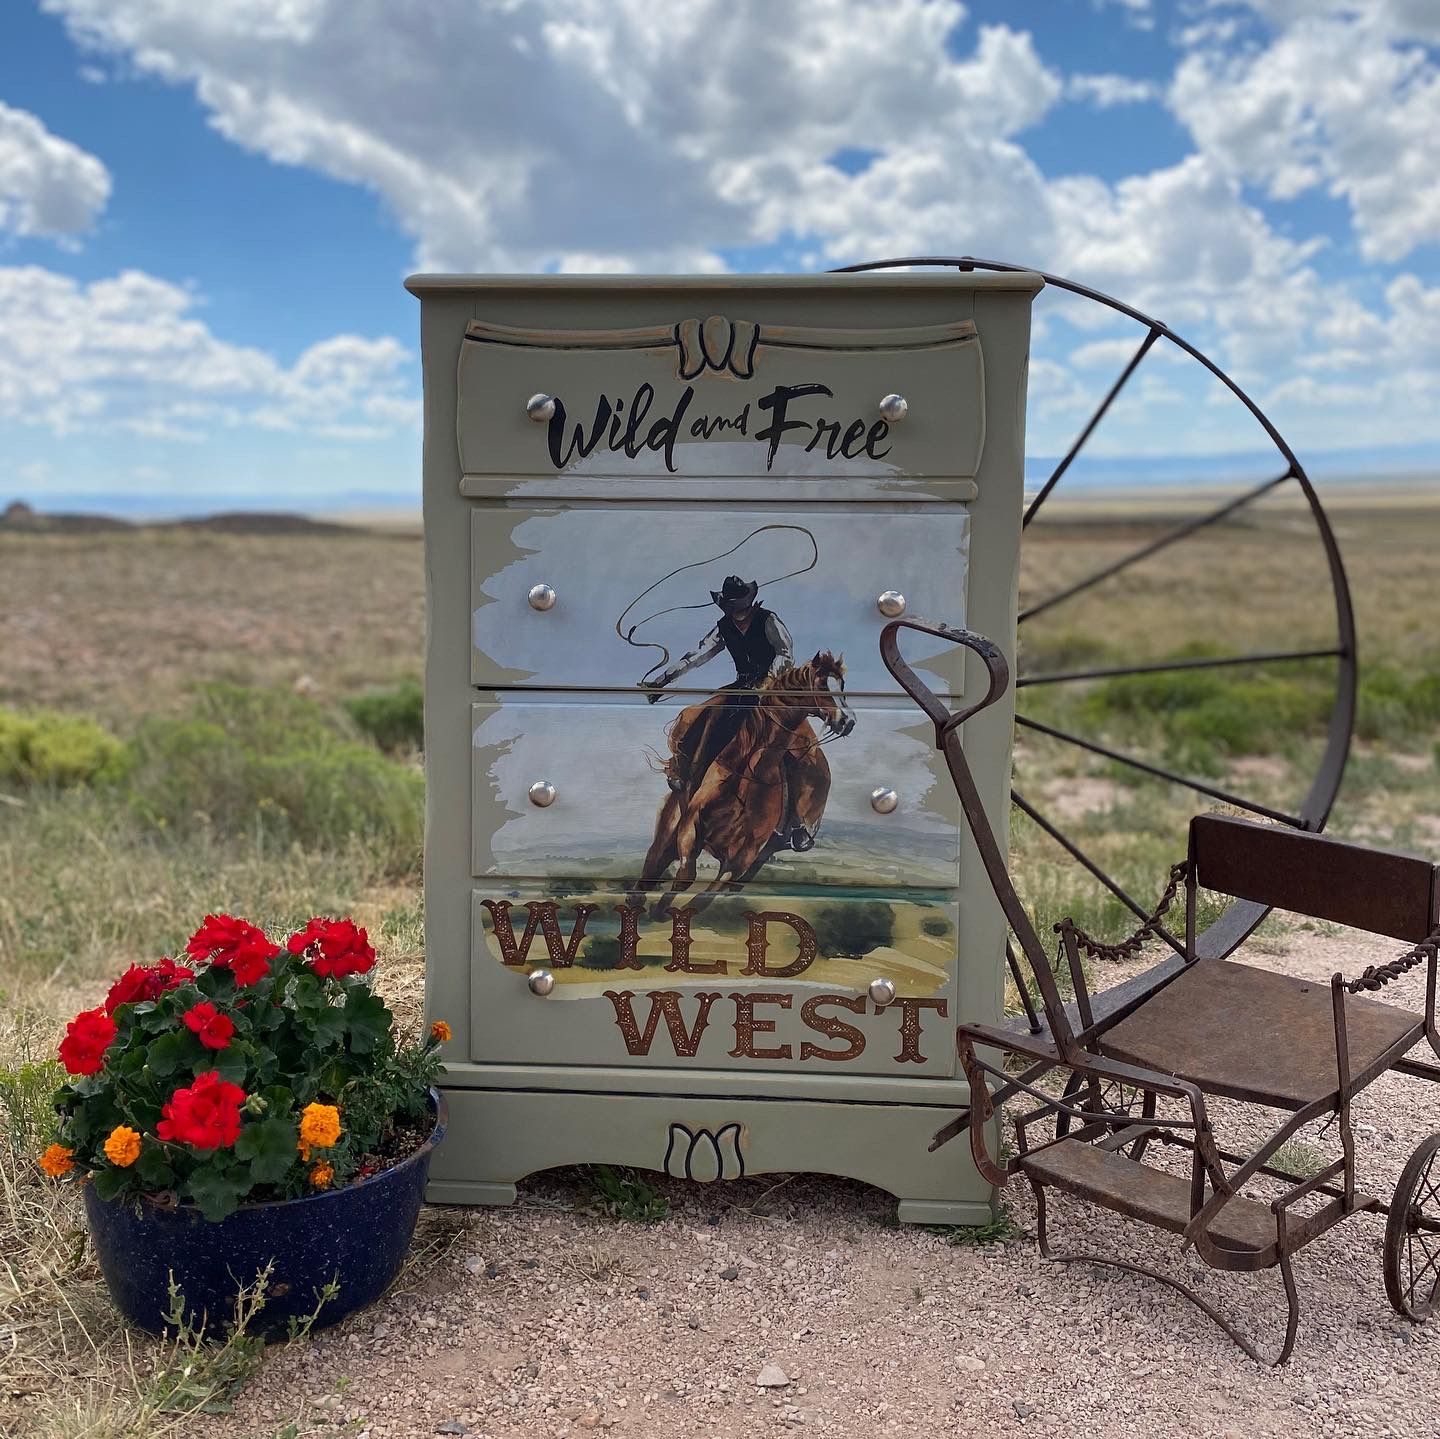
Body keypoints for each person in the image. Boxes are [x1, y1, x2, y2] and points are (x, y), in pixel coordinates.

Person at [640, 574, 798, 812]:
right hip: (741, 688)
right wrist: (662, 681)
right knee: (704, 716)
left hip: (773, 688)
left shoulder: (768, 620)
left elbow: (785, 652)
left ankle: (794, 817)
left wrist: (769, 680)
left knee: (791, 744)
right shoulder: (723, 627)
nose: (735, 610)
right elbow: (697, 656)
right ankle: (686, 771)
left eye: (738, 604)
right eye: (730, 605)